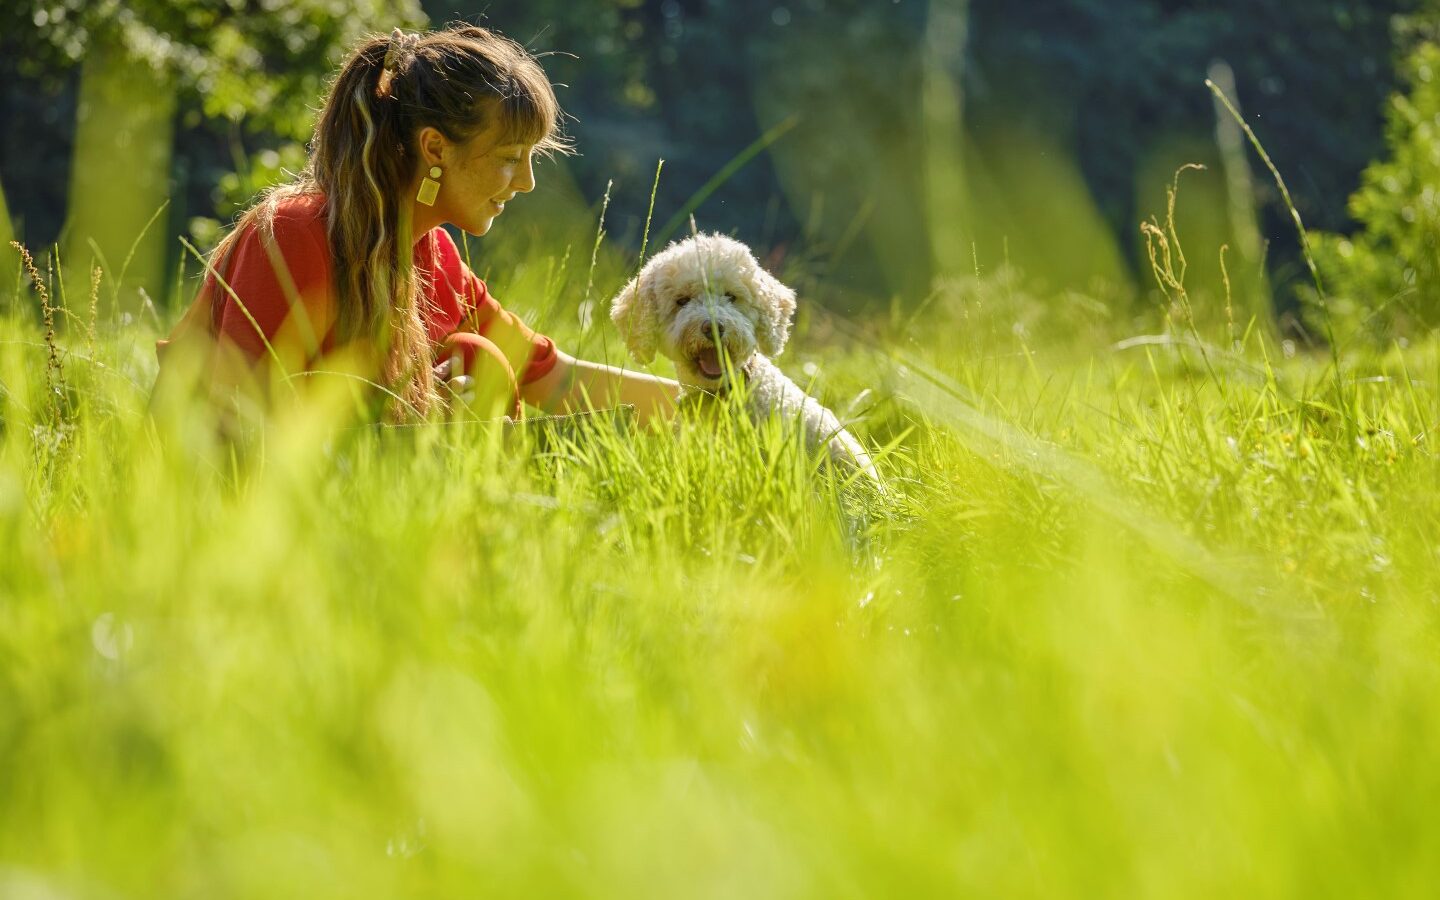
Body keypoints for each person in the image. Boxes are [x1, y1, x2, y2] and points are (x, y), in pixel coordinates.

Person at [152, 24, 679, 431]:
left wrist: (719, 400)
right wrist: (413, 415)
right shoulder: (293, 234)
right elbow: (235, 421)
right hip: (223, 522)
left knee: (484, 358)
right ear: (434, 148)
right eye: (509, 157)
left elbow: (548, 373)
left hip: (356, 511)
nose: (526, 183)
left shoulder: (437, 257)